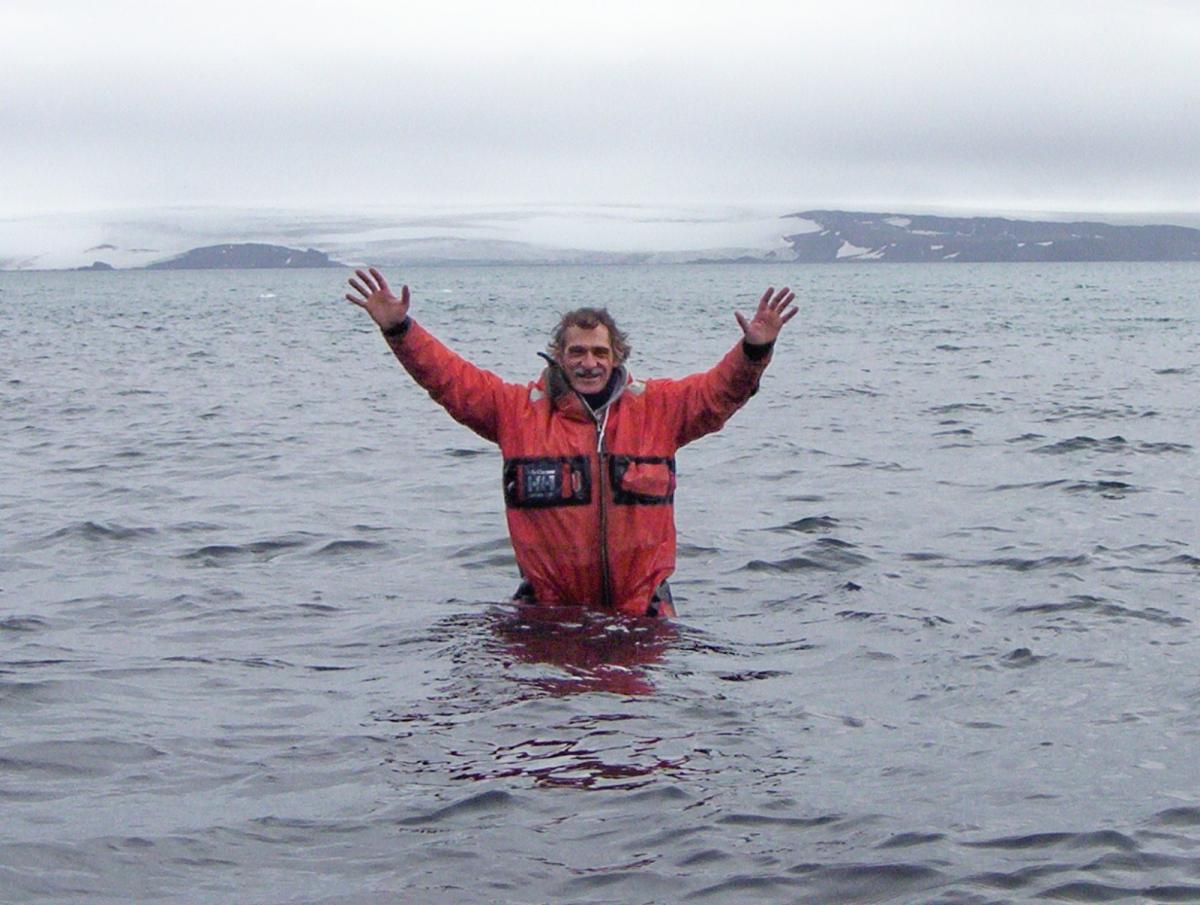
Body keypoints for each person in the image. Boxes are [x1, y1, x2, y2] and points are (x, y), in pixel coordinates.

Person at [346, 268, 796, 618]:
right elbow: (449, 379)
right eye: (577, 352)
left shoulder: (661, 409)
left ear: (617, 357)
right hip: (546, 619)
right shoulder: (515, 412)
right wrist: (401, 330)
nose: (589, 363)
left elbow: (720, 391)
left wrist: (754, 351)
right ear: (559, 357)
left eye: (600, 353)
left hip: (642, 618)